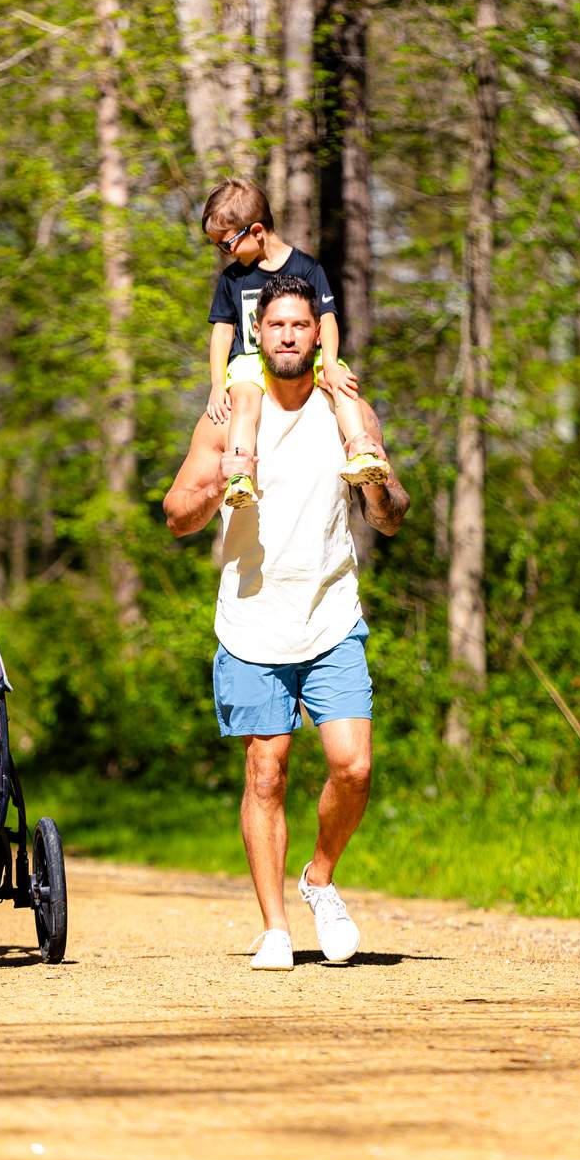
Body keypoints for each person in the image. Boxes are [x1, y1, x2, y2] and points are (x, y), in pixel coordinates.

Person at [163, 274, 410, 971]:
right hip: (252, 621)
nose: (291, 336)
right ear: (259, 337)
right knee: (266, 772)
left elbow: (390, 516)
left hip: (331, 614)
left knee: (353, 766)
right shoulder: (226, 417)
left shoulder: (347, 409)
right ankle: (276, 926)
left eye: (302, 325)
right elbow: (176, 511)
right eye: (277, 326)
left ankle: (320, 877)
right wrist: (215, 488)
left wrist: (379, 487)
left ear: (319, 334)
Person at [199, 177, 387, 510]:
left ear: (256, 232)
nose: (222, 253)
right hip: (250, 360)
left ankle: (361, 450)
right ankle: (240, 471)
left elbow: (326, 316)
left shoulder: (306, 268)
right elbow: (223, 331)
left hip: (304, 356)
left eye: (226, 244)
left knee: (341, 384)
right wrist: (217, 383)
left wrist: (329, 362)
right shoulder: (232, 279)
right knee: (243, 398)